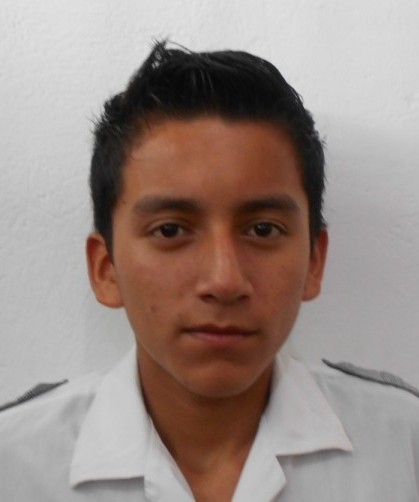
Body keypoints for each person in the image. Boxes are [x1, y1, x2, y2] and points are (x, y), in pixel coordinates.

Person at [1, 41, 418, 501]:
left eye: (262, 229)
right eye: (170, 230)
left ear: (314, 262)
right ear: (106, 269)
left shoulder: (403, 447)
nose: (224, 281)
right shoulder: (15, 463)